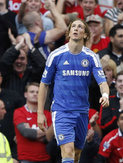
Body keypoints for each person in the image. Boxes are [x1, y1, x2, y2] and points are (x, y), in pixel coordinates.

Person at [37, 18, 110, 163]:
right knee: (67, 151)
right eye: (73, 27)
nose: (76, 29)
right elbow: (44, 84)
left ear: (85, 35)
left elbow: (102, 82)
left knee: (76, 154)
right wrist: (40, 113)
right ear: (69, 33)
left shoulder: (91, 57)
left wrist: (106, 95)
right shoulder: (56, 55)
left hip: (82, 112)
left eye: (80, 27)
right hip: (62, 110)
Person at [14, 82, 53, 162]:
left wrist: (32, 135)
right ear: (25, 94)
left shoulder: (47, 114)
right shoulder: (19, 112)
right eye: (32, 92)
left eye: (38, 92)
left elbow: (49, 138)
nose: (35, 94)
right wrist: (47, 131)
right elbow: (26, 133)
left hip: (46, 158)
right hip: (26, 158)